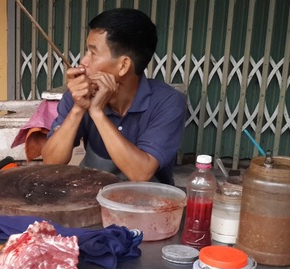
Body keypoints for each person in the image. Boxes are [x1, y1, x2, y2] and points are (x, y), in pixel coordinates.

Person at [41, 8, 186, 185]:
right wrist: (78, 109)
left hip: (148, 202)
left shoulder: (168, 102)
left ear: (123, 65)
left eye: (93, 53)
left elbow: (141, 173)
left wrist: (97, 112)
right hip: (91, 194)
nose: (83, 62)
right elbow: (51, 163)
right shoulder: (79, 95)